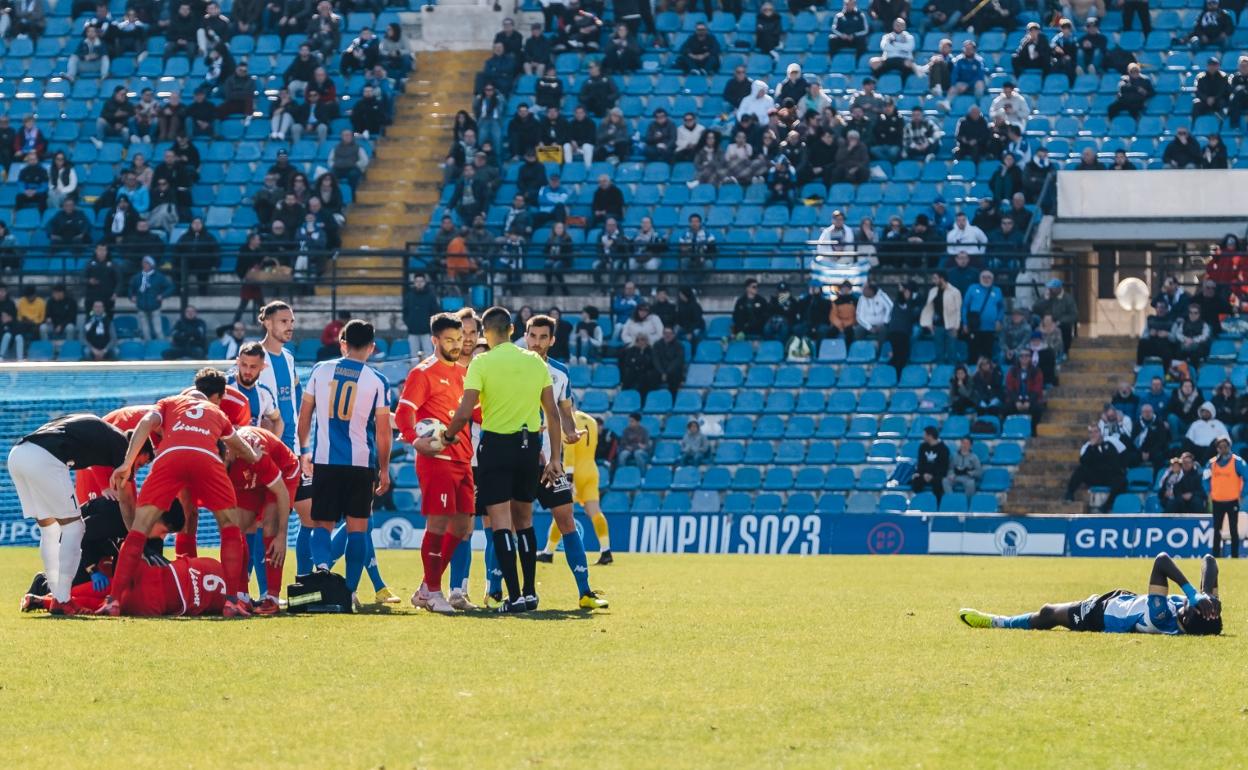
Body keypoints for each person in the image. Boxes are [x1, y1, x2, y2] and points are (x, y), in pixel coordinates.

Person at [100, 379, 261, 617]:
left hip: (171, 456)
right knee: (230, 528)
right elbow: (238, 444)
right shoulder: (216, 412)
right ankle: (231, 601)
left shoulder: (169, 403)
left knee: (138, 529)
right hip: (207, 458)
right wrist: (254, 456)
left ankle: (113, 601)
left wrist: (127, 461)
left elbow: (145, 422)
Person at [442, 306, 562, 613]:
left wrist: (447, 435)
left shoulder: (481, 362)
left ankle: (513, 596)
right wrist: (555, 459)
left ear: (484, 333)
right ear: (512, 330)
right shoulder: (535, 361)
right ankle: (531, 592)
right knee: (525, 522)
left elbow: (466, 410)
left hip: (496, 447)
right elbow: (552, 412)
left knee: (500, 525)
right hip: (529, 447)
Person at [514, 316, 608, 609]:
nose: (538, 342)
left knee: (566, 519)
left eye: (544, 337)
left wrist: (571, 432)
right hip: (517, 457)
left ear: (552, 340)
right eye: (533, 336)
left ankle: (585, 591)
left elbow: (565, 414)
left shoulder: (560, 373)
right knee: (513, 524)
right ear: (525, 336)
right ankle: (498, 591)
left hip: (552, 462)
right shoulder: (512, 367)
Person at [296, 320, 392, 610]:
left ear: (342, 343)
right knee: (357, 530)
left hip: (325, 461)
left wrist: (304, 451)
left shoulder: (320, 370)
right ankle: (349, 592)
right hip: (360, 465)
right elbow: (384, 431)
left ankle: (323, 573)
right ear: (372, 348)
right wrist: (384, 469)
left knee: (322, 525)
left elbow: (305, 415)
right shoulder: (377, 381)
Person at [7, 415, 136, 615]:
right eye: (144, 461)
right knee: (75, 528)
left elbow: (92, 459)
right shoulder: (124, 447)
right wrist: (134, 535)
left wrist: (104, 487)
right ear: (138, 450)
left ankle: (55, 592)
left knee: (50, 530)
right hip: (45, 459)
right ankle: (62, 599)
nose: (139, 467)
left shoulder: (99, 432)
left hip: (19, 455)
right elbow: (127, 499)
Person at [393, 313, 478, 613]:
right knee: (439, 524)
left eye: (460, 339)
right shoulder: (423, 372)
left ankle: (426, 588)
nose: (457, 345)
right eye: (450, 340)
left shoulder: (464, 373)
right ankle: (434, 592)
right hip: (437, 459)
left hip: (464, 459)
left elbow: (477, 413)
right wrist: (414, 440)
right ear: (434, 340)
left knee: (463, 527)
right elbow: (405, 413)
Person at [960, 552, 1222, 636]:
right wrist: (1206, 596)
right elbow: (1209, 561)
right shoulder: (1205, 616)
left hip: (1100, 615)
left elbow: (1162, 560)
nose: (1189, 602)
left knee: (1049, 613)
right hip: (1126, 600)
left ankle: (997, 621)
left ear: (1185, 619)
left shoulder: (1161, 616)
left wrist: (1192, 592)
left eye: (1191, 606)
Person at [1064, 424, 1125, 512]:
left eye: (1096, 432)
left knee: (1122, 480)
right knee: (1081, 470)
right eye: (1091, 432)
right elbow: (1084, 461)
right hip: (1096, 476)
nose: (1093, 435)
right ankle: (1070, 493)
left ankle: (1108, 505)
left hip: (1109, 476)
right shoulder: (1087, 447)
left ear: (1100, 433)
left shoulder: (1109, 445)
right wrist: (1092, 448)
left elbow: (1114, 462)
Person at [1201, 436, 1243, 559]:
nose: (1223, 449)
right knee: (1217, 530)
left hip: (1232, 500)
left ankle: (1235, 557)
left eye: (1225, 446)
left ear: (1229, 447)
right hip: (1217, 501)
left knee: (1233, 530)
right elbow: (1204, 479)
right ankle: (1215, 556)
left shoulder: (1237, 462)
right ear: (1217, 448)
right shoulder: (1211, 463)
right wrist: (1209, 491)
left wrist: (1242, 493)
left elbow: (1246, 477)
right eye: (1220, 447)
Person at [961, 269, 1004, 364]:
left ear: (993, 279)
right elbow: (965, 306)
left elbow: (1001, 308)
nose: (986, 279)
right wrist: (964, 323)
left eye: (989, 277)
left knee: (987, 355)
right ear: (979, 278)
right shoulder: (972, 288)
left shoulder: (997, 290)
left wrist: (999, 320)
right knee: (973, 354)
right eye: (984, 277)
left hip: (990, 328)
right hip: (974, 327)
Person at [127, 256, 173, 342]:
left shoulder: (159, 277)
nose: (144, 265)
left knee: (158, 330)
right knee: (145, 331)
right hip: (141, 306)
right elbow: (130, 288)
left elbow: (170, 287)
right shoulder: (137, 277)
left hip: (155, 306)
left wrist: (162, 296)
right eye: (144, 263)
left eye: (147, 263)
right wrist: (131, 296)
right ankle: (148, 348)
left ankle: (161, 347)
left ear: (151, 265)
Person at [402, 273, 439, 360]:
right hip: (412, 331)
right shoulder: (409, 296)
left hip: (426, 332)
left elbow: (435, 312)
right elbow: (405, 312)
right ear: (414, 282)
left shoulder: (431, 296)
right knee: (413, 357)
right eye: (417, 281)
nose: (419, 283)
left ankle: (430, 374)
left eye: (421, 281)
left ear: (425, 282)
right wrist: (409, 324)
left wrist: (429, 326)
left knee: (429, 355)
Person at [912, 426, 950, 503]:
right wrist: (921, 474)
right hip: (924, 474)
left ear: (930, 436)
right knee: (915, 480)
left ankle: (937, 505)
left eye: (925, 435)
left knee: (938, 483)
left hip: (937, 475)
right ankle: (919, 502)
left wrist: (932, 476)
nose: (923, 437)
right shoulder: (923, 447)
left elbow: (943, 467)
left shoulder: (943, 449)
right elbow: (921, 463)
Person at [652, 326, 686, 395]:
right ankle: (654, 400)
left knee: (675, 378)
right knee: (650, 376)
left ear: (673, 335)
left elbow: (678, 361)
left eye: (669, 333)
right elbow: (656, 360)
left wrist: (666, 372)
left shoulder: (679, 345)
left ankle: (672, 400)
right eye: (665, 333)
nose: (667, 335)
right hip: (660, 370)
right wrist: (662, 372)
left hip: (673, 371)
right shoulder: (657, 344)